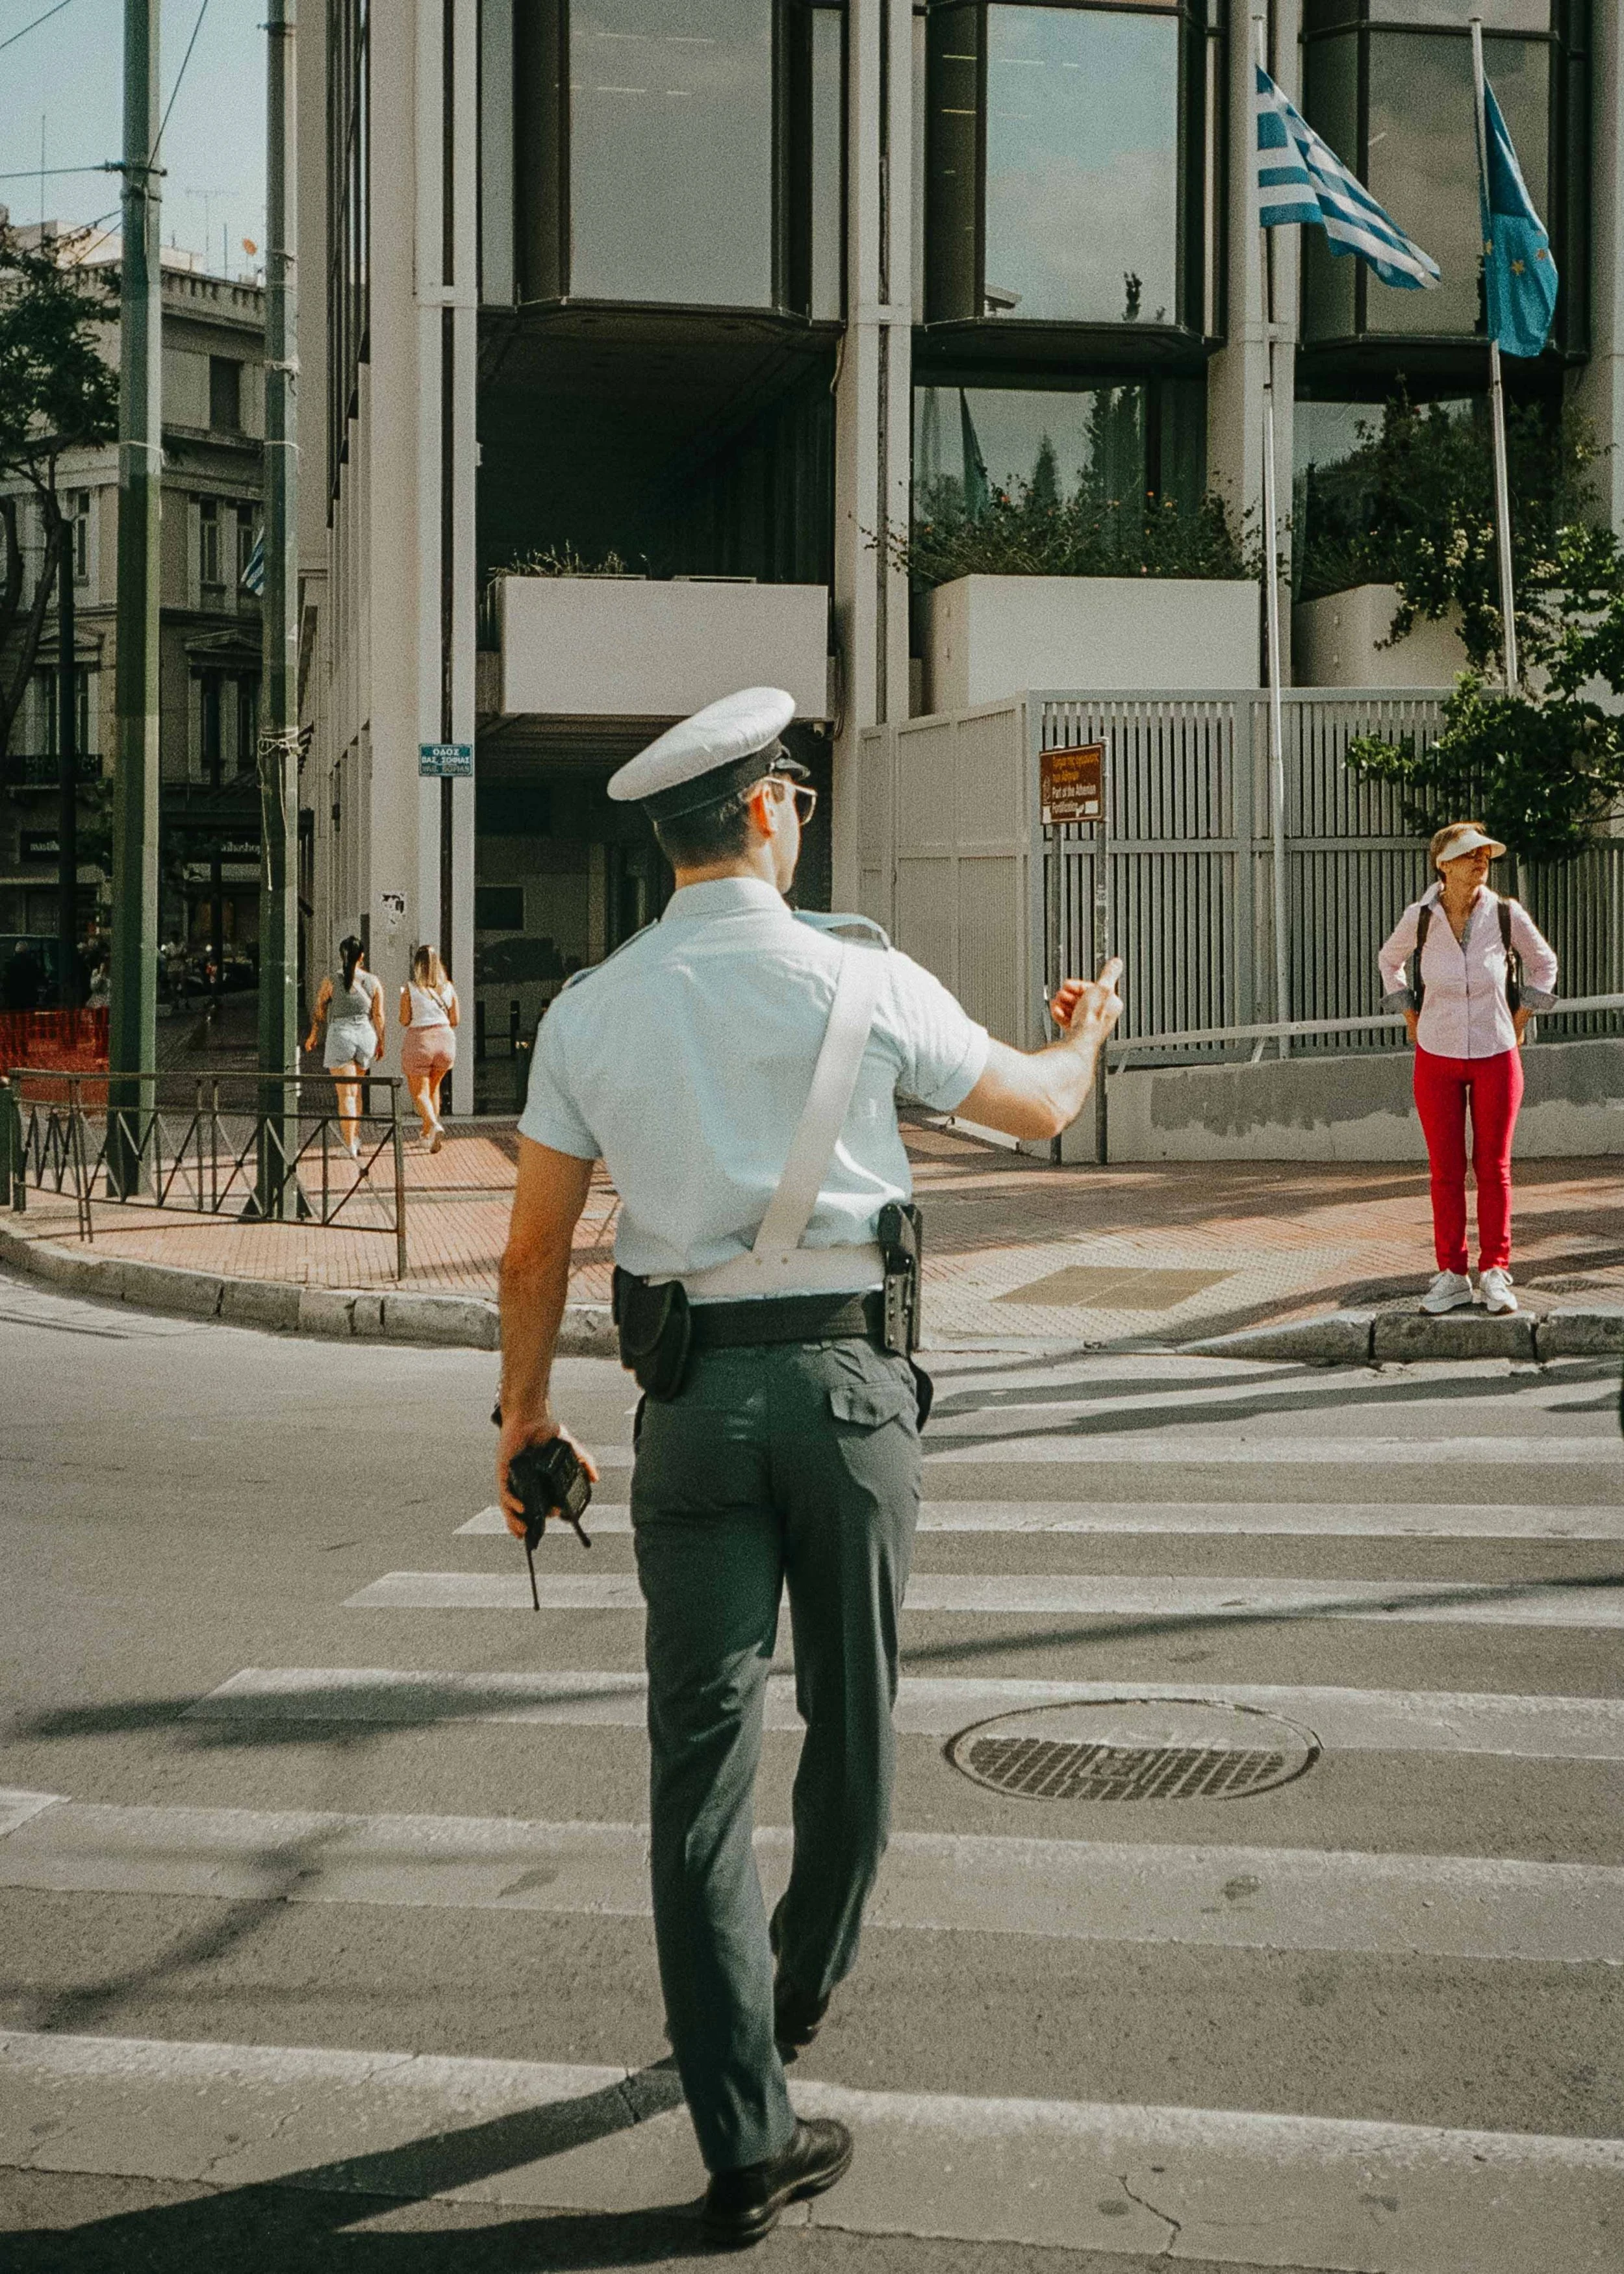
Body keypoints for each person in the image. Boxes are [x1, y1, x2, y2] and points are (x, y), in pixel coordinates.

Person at [495, 685, 1123, 2245]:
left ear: (671, 840)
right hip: (849, 1394)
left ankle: (742, 2128)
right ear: (770, 812)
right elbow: (1039, 1110)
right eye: (801, 798)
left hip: (691, 1407)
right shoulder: (866, 979)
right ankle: (796, 1989)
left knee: (695, 1773)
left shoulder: (591, 1009)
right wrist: (1087, 1030)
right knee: (855, 1719)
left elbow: (531, 1249)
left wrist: (520, 1419)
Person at [1378, 821, 1557, 1317]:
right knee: (1446, 1171)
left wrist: (1521, 1016)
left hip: (1498, 1053)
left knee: (1494, 1168)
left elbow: (1545, 964)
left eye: (1485, 856)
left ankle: (1496, 1270)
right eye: (1469, 855)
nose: (1481, 862)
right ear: (1443, 863)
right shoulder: (1420, 917)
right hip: (1436, 1053)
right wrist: (1410, 1015)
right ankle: (1452, 1274)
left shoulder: (1505, 913)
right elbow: (1389, 960)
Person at [303, 934, 386, 1157]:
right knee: (356, 1091)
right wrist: (381, 1041)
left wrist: (313, 1035)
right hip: (365, 1037)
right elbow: (378, 1015)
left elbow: (319, 1009)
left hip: (341, 1037)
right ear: (362, 956)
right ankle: (355, 1137)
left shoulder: (332, 980)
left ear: (342, 956)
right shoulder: (374, 982)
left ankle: (349, 1145)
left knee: (346, 1095)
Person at [398, 944, 459, 1150]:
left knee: (419, 1093)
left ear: (418, 966)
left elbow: (404, 1020)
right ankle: (426, 1136)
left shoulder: (410, 989)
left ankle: (433, 1125)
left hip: (420, 1042)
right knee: (434, 1090)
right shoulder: (449, 988)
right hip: (445, 1042)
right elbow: (455, 1019)